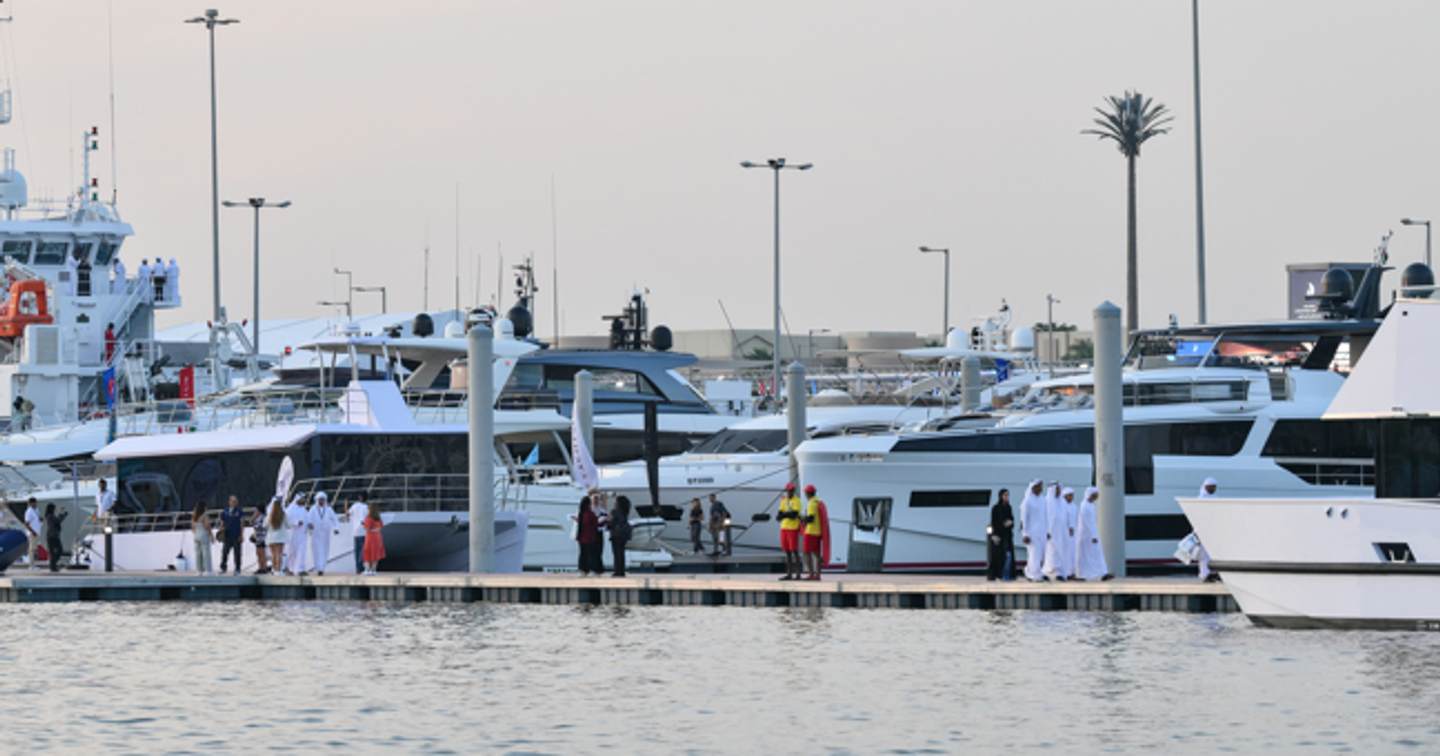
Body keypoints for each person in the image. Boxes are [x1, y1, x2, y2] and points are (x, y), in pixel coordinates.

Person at [1073, 487, 1110, 581]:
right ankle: (1082, 575)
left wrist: (1094, 534)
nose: (1096, 497)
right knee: (1084, 556)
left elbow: (1092, 522)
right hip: (1086, 535)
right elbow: (1087, 523)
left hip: (1093, 533)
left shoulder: (1092, 505)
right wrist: (1093, 535)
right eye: (1095, 495)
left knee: (1097, 553)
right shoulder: (1084, 505)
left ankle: (1102, 573)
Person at [1043, 484, 1076, 581]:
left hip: (1061, 532)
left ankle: (1060, 573)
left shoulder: (1062, 502)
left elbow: (1066, 517)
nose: (1058, 491)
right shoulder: (1047, 501)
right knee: (1052, 553)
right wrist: (1046, 530)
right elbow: (1044, 517)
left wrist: (1070, 527)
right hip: (1051, 532)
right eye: (1056, 490)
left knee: (1061, 552)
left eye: (1059, 489)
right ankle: (1048, 572)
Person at [800, 484, 830, 580]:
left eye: (805, 493)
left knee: (806, 553)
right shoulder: (818, 502)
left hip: (810, 532)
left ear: (808, 493)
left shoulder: (812, 504)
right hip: (817, 532)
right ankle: (818, 575)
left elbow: (811, 519)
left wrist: (803, 518)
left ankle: (811, 574)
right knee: (816, 554)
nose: (804, 494)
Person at [986, 488, 1015, 581]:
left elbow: (1011, 519)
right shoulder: (996, 508)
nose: (1007, 497)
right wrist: (994, 534)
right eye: (1005, 495)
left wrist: (1010, 523)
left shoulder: (1009, 507)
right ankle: (997, 574)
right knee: (997, 556)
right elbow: (994, 521)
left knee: (1008, 555)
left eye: (1008, 495)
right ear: (1001, 496)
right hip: (998, 535)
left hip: (1007, 535)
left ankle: (1007, 574)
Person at [308, 492, 339, 575]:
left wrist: (336, 528)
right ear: (317, 500)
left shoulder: (329, 509)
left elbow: (335, 519)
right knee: (316, 550)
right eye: (320, 499)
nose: (321, 501)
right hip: (316, 533)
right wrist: (310, 525)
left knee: (325, 550)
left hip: (326, 533)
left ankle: (322, 568)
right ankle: (318, 568)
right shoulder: (313, 509)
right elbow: (309, 519)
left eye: (323, 499)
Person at [777, 482, 803, 581]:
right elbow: (780, 512)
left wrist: (784, 515)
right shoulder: (783, 500)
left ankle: (798, 574)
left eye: (792, 490)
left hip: (792, 528)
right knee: (787, 552)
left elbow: (794, 514)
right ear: (787, 490)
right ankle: (789, 574)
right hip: (784, 527)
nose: (791, 492)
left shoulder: (797, 501)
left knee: (794, 551)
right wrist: (783, 515)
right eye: (789, 490)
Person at [1195, 477, 1218, 582]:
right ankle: (1204, 575)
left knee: (1211, 554)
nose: (1213, 489)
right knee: (1204, 555)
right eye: (1211, 487)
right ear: (1206, 487)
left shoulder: (1215, 498)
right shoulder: (1201, 499)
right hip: (1203, 531)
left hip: (1213, 530)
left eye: (1214, 487)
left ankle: (1210, 573)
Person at [574, 495, 603, 576]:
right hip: (589, 537)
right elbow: (595, 524)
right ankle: (592, 570)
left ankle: (582, 570)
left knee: (583, 555)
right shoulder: (590, 514)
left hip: (581, 537)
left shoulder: (581, 513)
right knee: (591, 555)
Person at [218, 495, 245, 575]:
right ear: (229, 502)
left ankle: (237, 569)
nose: (234, 503)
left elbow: (242, 523)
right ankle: (223, 567)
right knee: (225, 552)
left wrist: (241, 534)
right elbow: (222, 522)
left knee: (237, 553)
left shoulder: (239, 511)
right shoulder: (225, 511)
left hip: (236, 534)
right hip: (227, 535)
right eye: (232, 501)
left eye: (235, 501)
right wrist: (220, 531)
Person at [264, 497, 289, 574]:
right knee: (279, 554)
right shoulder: (283, 514)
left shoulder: (269, 515)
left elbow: (265, 525)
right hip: (281, 537)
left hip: (271, 537)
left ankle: (274, 570)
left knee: (273, 554)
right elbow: (288, 525)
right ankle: (279, 570)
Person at [609, 495, 632, 577]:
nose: (614, 503)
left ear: (618, 503)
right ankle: (621, 571)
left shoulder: (614, 511)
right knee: (621, 553)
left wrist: (606, 522)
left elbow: (611, 523)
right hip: (624, 535)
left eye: (615, 501)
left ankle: (617, 571)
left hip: (616, 534)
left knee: (616, 553)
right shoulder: (625, 511)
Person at [285, 493, 309, 574]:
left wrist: (309, 524)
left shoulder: (304, 509)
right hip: (292, 534)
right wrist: (296, 522)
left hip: (302, 534)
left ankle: (300, 569)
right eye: (302, 499)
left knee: (302, 551)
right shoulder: (290, 509)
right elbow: (287, 521)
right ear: (298, 499)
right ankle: (290, 569)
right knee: (292, 552)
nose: (304, 500)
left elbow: (307, 519)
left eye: (304, 499)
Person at [190, 502, 214, 575]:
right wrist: (211, 535)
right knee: (206, 553)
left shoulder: (194, 516)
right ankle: (208, 570)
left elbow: (193, 527)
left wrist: (196, 533)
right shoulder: (204, 515)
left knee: (198, 554)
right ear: (203, 507)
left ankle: (199, 571)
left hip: (196, 536)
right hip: (203, 535)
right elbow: (207, 526)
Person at [347, 498, 369, 574]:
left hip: (355, 532)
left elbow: (348, 514)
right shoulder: (366, 507)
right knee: (362, 551)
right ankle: (360, 567)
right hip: (363, 531)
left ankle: (357, 568)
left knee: (357, 551)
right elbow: (367, 518)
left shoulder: (354, 506)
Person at [361, 502, 385, 575]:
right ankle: (373, 570)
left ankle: (367, 570)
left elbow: (367, 528)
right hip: (378, 536)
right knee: (376, 553)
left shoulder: (368, 518)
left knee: (367, 552)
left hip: (370, 537)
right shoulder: (378, 518)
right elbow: (381, 526)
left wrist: (363, 524)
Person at [44, 503, 67, 572]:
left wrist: (62, 515)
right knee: (59, 550)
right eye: (54, 508)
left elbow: (58, 521)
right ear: (52, 509)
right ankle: (53, 565)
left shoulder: (50, 516)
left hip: (52, 536)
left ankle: (53, 566)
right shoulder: (50, 516)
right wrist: (63, 514)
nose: (55, 509)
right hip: (52, 536)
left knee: (54, 552)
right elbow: (58, 521)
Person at [251, 502, 271, 574]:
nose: (255, 512)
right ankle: (261, 567)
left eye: (256, 510)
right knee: (258, 553)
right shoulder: (257, 517)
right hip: (258, 537)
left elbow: (261, 526)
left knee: (262, 553)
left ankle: (264, 567)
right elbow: (252, 523)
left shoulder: (263, 517)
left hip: (263, 537)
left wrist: (254, 522)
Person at [23, 497, 41, 569]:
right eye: (34, 502)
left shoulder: (36, 510)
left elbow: (36, 520)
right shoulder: (29, 511)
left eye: (36, 502)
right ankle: (31, 565)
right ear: (31, 503)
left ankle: (33, 564)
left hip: (36, 533)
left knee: (34, 549)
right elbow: (26, 524)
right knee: (32, 549)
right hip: (32, 533)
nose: (36, 504)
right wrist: (33, 532)